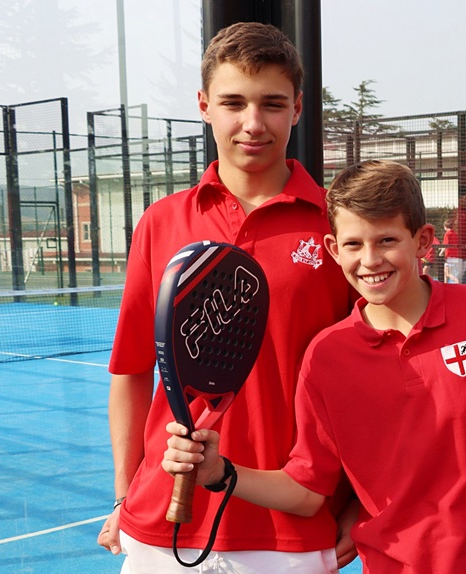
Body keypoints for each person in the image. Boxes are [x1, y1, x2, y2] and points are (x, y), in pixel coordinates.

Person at [162, 160, 466, 572]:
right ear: (333, 249)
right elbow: (308, 489)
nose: (370, 260)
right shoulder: (326, 357)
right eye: (353, 244)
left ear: (422, 241)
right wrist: (221, 473)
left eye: (386, 240)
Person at [98, 22, 357, 573]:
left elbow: (372, 380)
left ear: (298, 108)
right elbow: (130, 370)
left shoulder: (340, 226)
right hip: (161, 524)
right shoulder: (160, 221)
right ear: (204, 105)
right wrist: (124, 493)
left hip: (291, 530)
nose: (252, 123)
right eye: (233, 102)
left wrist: (358, 503)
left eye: (272, 103)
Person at [441, 215, 466, 283]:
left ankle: (455, 280)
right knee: (447, 272)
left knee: (447, 273)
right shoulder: (456, 234)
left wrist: (441, 252)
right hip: (456, 256)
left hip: (449, 256)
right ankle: (446, 285)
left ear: (445, 227)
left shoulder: (447, 234)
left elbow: (446, 245)